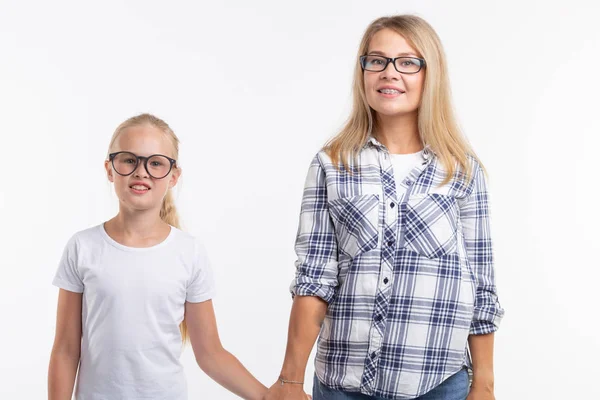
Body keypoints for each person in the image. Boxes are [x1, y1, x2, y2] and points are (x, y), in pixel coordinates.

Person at [264, 15, 504, 400]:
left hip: (438, 383)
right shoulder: (331, 164)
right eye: (376, 60)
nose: (389, 73)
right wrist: (290, 380)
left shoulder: (462, 171)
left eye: (407, 62)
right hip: (343, 383)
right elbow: (314, 279)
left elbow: (481, 286)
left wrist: (485, 385)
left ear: (431, 74)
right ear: (363, 72)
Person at [48, 113, 267, 400]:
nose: (141, 172)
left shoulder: (189, 252)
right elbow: (65, 349)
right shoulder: (83, 247)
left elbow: (211, 353)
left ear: (173, 176)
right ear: (109, 169)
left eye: (155, 163)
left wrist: (269, 397)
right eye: (129, 159)